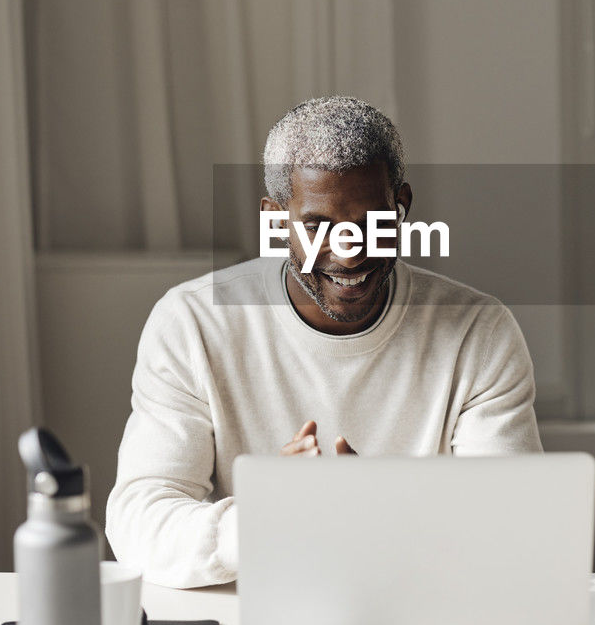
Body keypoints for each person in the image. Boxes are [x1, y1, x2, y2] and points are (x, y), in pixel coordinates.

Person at [106, 96, 542, 587]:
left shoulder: (478, 332)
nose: (349, 254)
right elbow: (139, 522)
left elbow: (515, 527)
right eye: (317, 226)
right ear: (276, 221)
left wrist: (384, 508)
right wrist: (265, 517)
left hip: (420, 609)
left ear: (402, 207)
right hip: (257, 617)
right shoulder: (192, 324)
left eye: (371, 223)